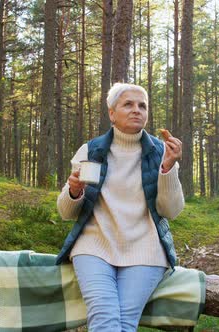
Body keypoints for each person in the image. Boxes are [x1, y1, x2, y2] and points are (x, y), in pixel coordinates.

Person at [55, 83, 185, 331]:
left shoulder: (161, 152)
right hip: (94, 246)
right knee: (104, 316)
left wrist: (167, 168)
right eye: (128, 104)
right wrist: (74, 191)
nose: (136, 110)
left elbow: (172, 211)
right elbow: (65, 212)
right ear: (112, 113)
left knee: (124, 322)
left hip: (145, 249)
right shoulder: (91, 150)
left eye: (142, 105)